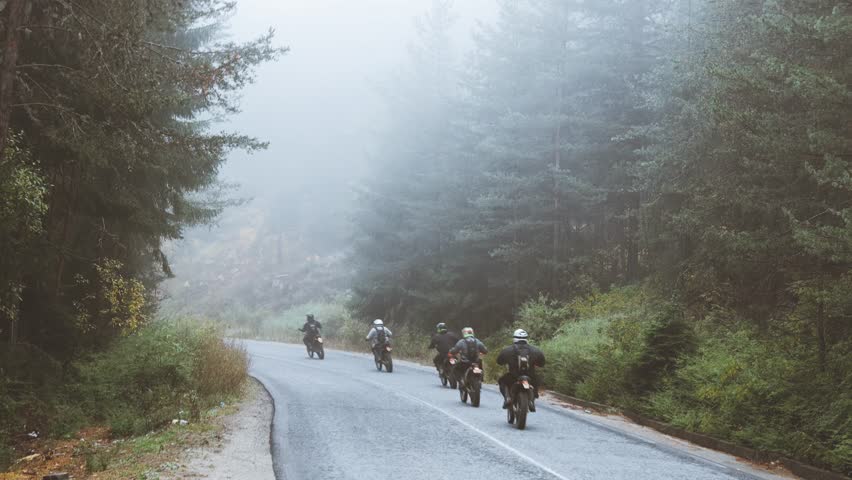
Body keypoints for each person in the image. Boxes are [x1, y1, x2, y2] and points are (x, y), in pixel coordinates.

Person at [496, 329, 546, 411]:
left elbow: (499, 361)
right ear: (526, 338)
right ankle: (532, 400)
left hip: (513, 377)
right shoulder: (536, 350)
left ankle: (507, 398)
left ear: (514, 338)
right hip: (530, 377)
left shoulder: (507, 350)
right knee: (536, 381)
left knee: (502, 381)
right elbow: (542, 363)